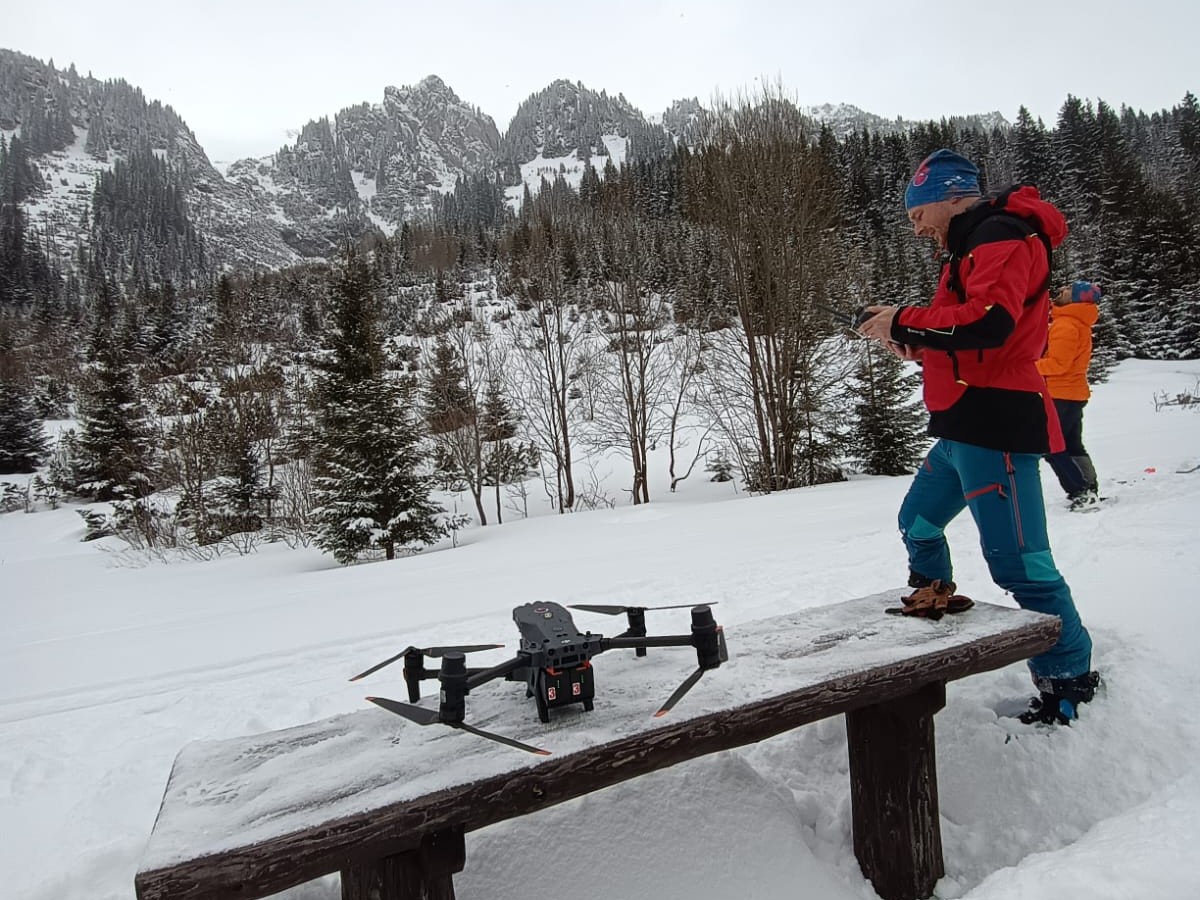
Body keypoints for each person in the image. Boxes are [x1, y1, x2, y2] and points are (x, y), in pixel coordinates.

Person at [857, 148, 1099, 725]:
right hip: (961, 425)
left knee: (1021, 566)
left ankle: (1071, 679)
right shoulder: (968, 243)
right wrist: (912, 343)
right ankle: (934, 598)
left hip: (996, 426)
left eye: (919, 211)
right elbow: (968, 337)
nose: (915, 224)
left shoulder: (999, 234)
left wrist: (904, 318)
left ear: (951, 195)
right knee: (917, 523)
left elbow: (992, 323)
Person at [1037, 280, 1102, 509]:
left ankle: (1081, 492)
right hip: (1071, 394)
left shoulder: (1066, 325)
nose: (1061, 291)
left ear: (1075, 299)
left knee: (1052, 447)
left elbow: (1058, 365)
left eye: (1067, 291)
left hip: (1061, 394)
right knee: (1072, 444)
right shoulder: (1074, 323)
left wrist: (1027, 367)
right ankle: (1088, 488)